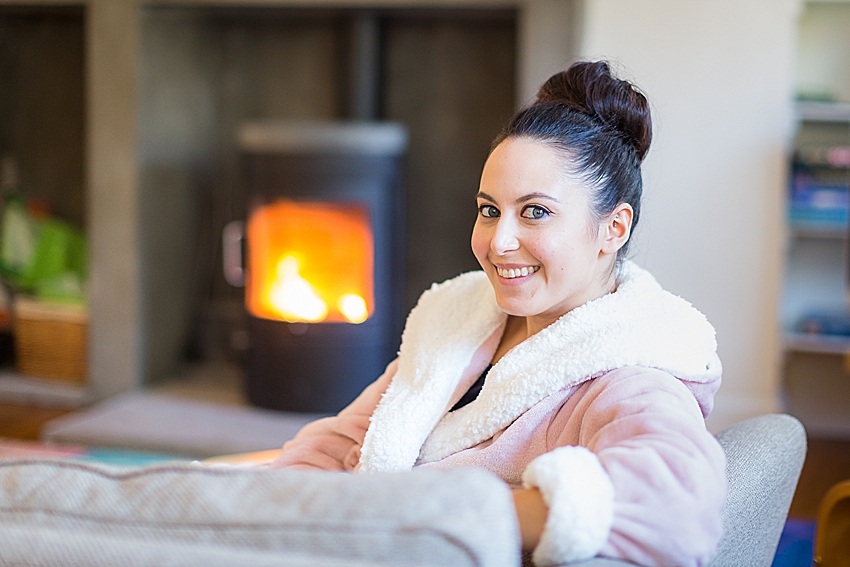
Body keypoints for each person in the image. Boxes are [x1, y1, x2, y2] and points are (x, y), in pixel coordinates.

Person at [269, 61, 726, 567]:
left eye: (535, 212)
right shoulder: (455, 323)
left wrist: (434, 516)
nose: (498, 242)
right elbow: (343, 440)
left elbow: (676, 510)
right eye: (489, 210)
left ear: (613, 229)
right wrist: (269, 513)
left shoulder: (630, 371)